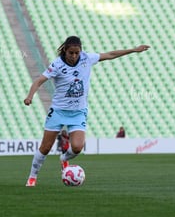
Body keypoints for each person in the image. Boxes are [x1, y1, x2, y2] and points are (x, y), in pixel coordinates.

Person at [24, 35, 150, 186]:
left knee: (77, 147)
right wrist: (30, 96)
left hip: (78, 112)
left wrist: (133, 50)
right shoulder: (57, 65)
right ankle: (32, 177)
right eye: (71, 53)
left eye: (77, 52)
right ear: (65, 50)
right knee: (45, 148)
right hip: (58, 111)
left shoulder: (86, 59)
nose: (74, 56)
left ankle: (64, 159)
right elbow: (38, 81)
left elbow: (110, 55)